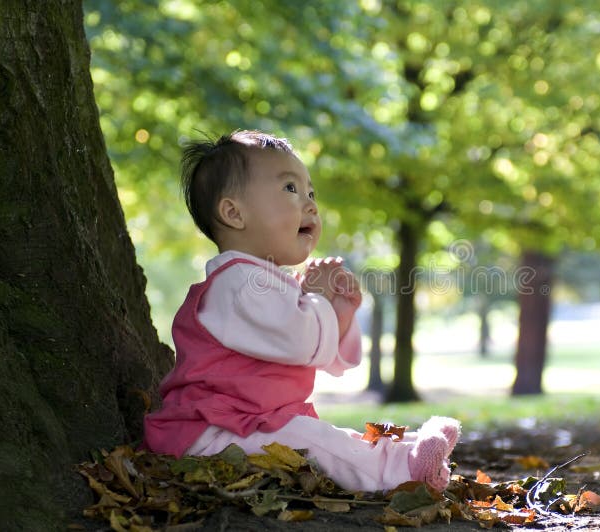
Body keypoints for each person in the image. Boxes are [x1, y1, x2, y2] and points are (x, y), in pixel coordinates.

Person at [142, 130, 460, 492]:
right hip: (212, 432)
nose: (310, 204)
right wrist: (319, 298)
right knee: (317, 442)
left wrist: (336, 310)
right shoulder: (237, 283)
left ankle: (408, 449)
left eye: (311, 194)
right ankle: (406, 472)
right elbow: (299, 341)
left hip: (251, 421)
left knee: (326, 437)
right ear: (234, 213)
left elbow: (316, 351)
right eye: (290, 189)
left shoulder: (265, 280)